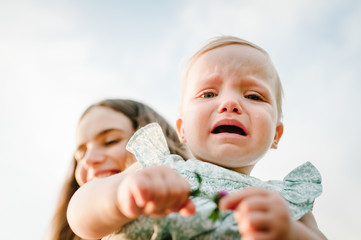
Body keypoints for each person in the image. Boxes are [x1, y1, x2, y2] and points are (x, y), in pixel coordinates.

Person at [67, 36, 326, 239]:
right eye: (208, 94)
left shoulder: (284, 202)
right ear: (182, 129)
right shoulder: (156, 171)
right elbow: (80, 216)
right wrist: (121, 196)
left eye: (254, 96)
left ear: (276, 135)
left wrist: (291, 234)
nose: (230, 103)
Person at [47, 99, 189, 240]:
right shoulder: (85, 208)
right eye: (81, 154)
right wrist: (122, 194)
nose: (88, 159)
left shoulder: (192, 177)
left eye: (110, 141)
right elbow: (79, 210)